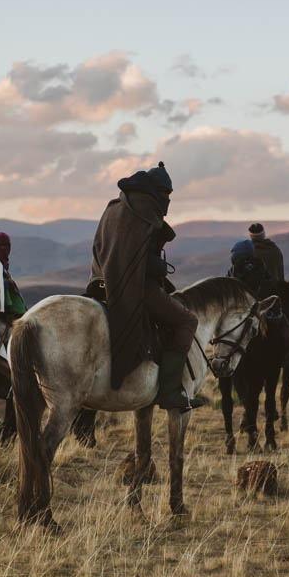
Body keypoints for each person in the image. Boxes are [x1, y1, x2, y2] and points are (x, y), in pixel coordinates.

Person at [89, 162, 202, 412]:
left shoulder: (116, 206)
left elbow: (112, 249)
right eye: (166, 194)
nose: (167, 200)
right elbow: (137, 258)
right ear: (157, 191)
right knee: (187, 321)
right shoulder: (144, 211)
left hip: (102, 282)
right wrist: (160, 268)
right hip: (134, 285)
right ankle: (171, 391)